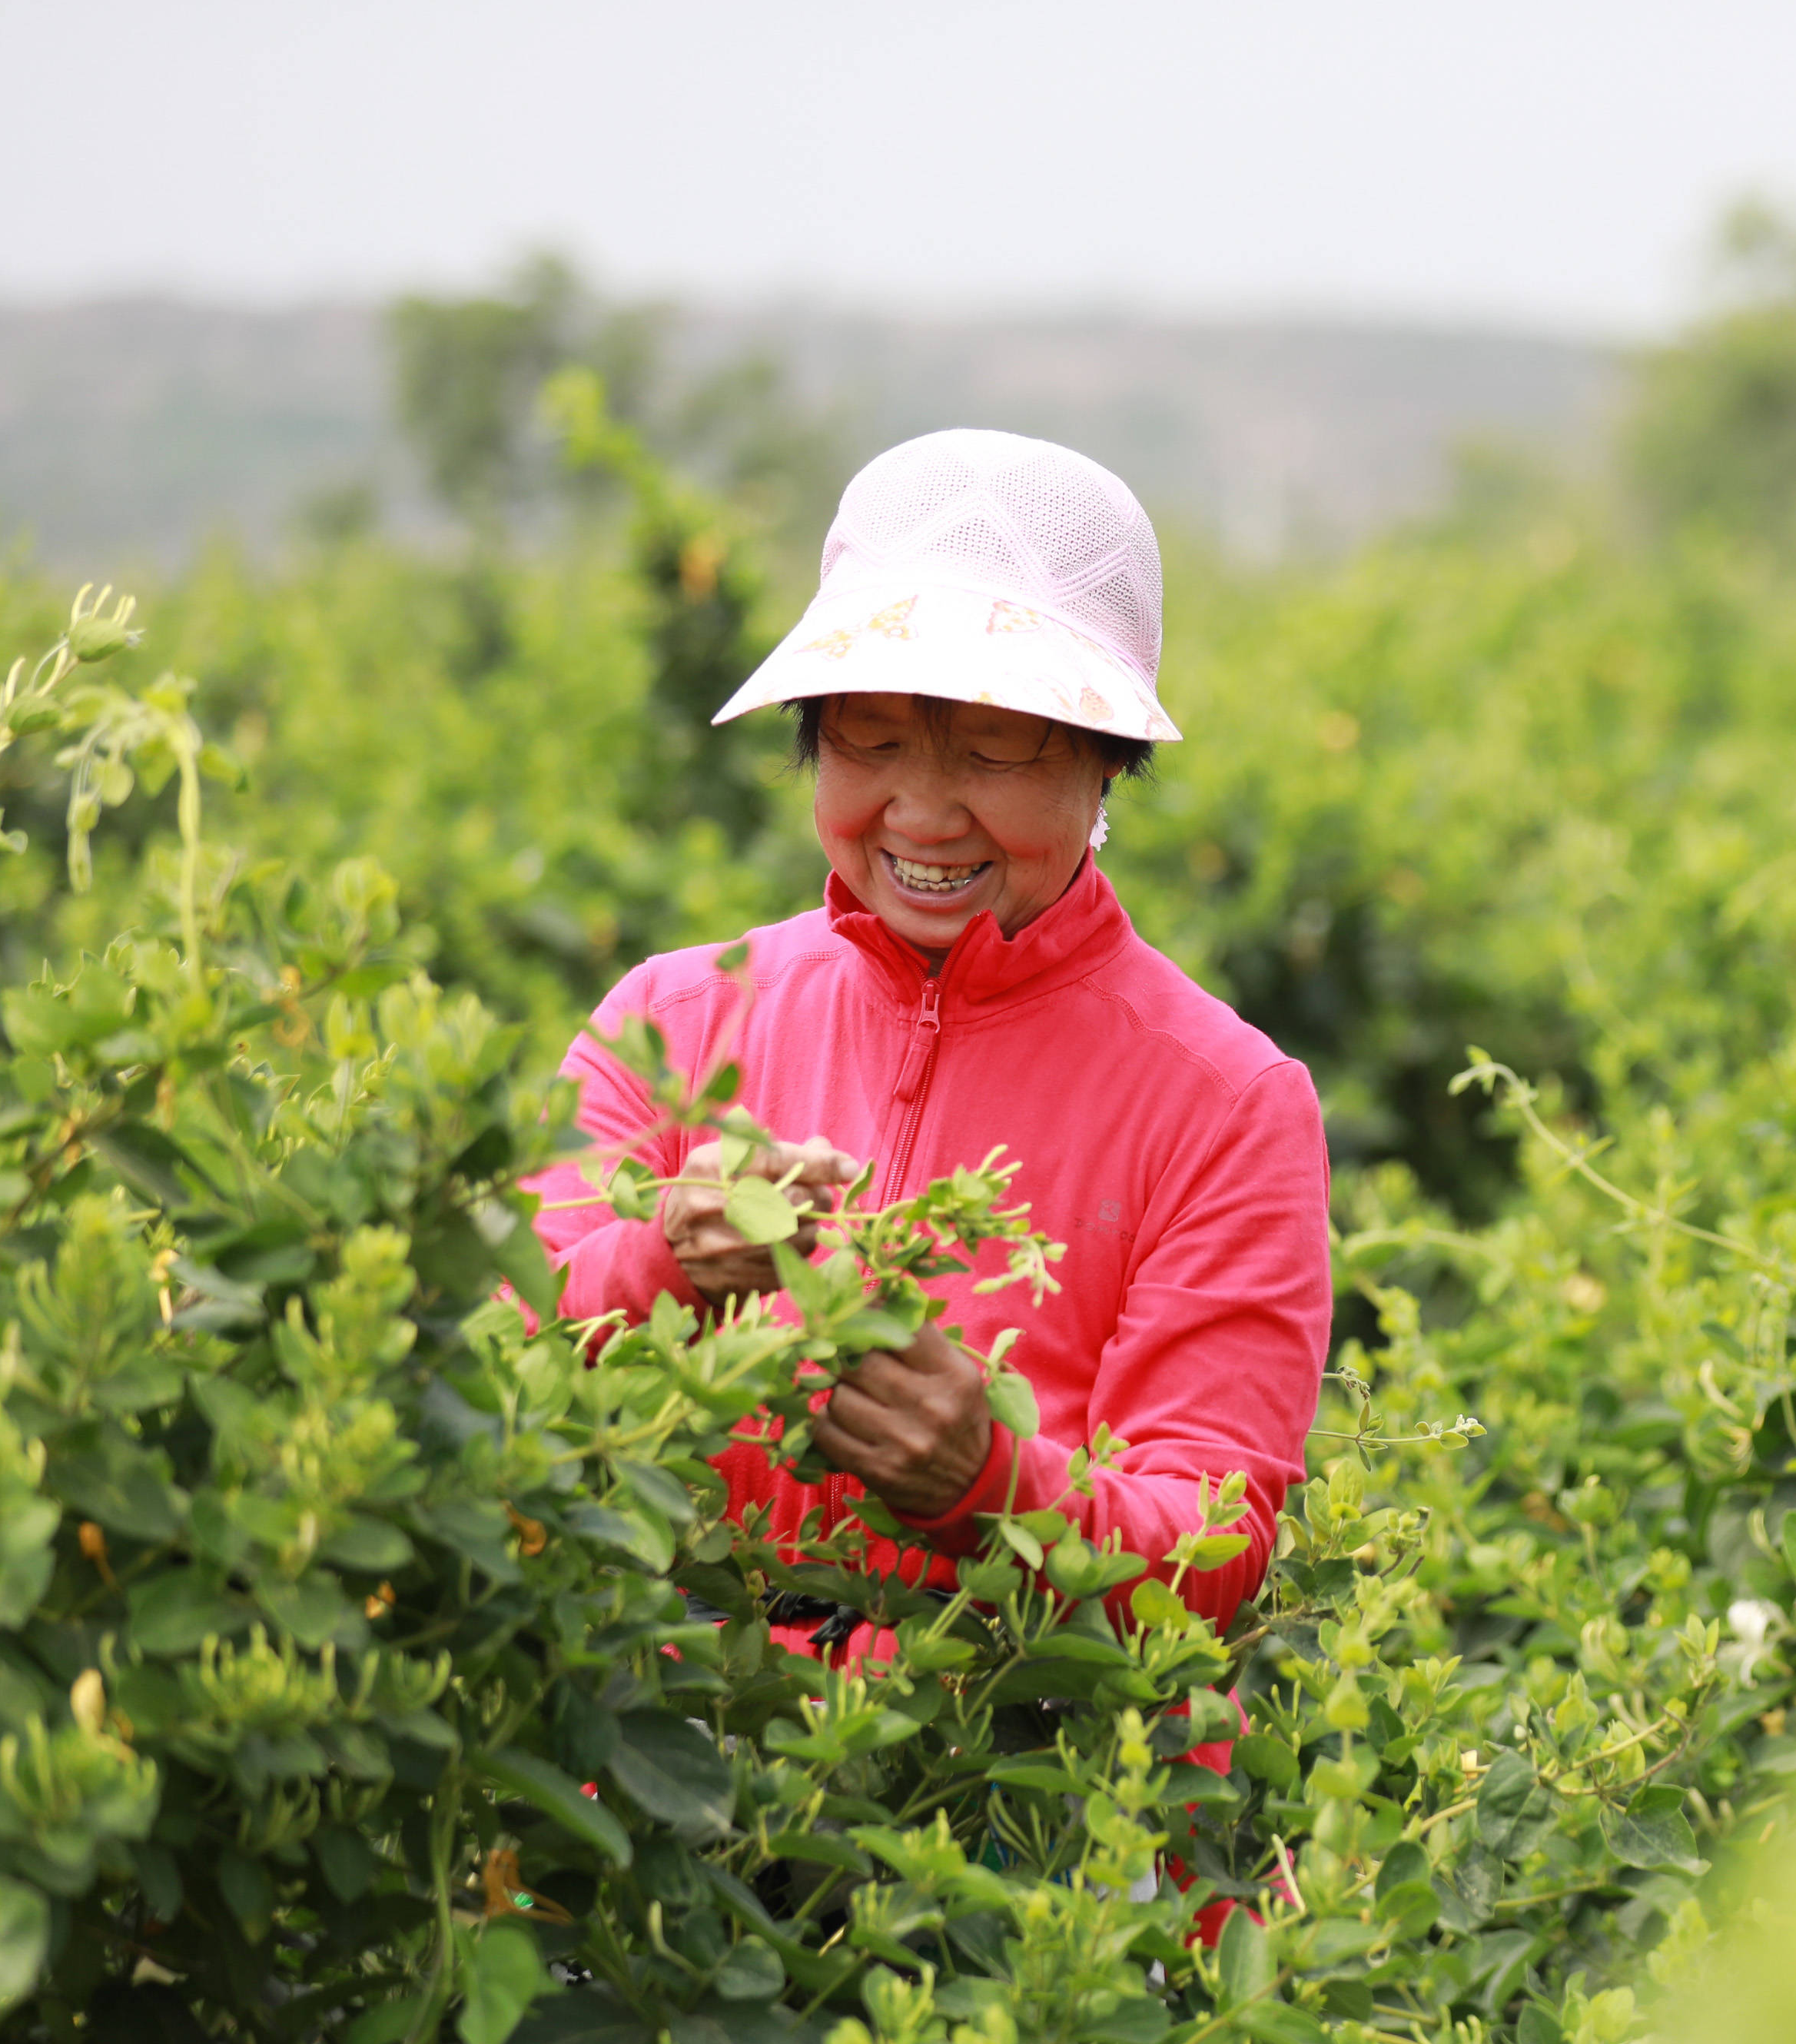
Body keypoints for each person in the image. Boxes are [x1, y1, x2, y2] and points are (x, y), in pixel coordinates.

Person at [526, 429, 1332, 1650]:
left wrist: (990, 1483)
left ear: (1105, 767)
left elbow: (1209, 1544)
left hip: (1018, 1796)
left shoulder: (1224, 1102)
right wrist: (664, 1262)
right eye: (871, 736)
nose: (922, 810)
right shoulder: (675, 1022)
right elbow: (493, 1358)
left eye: (995, 746)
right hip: (674, 1772)